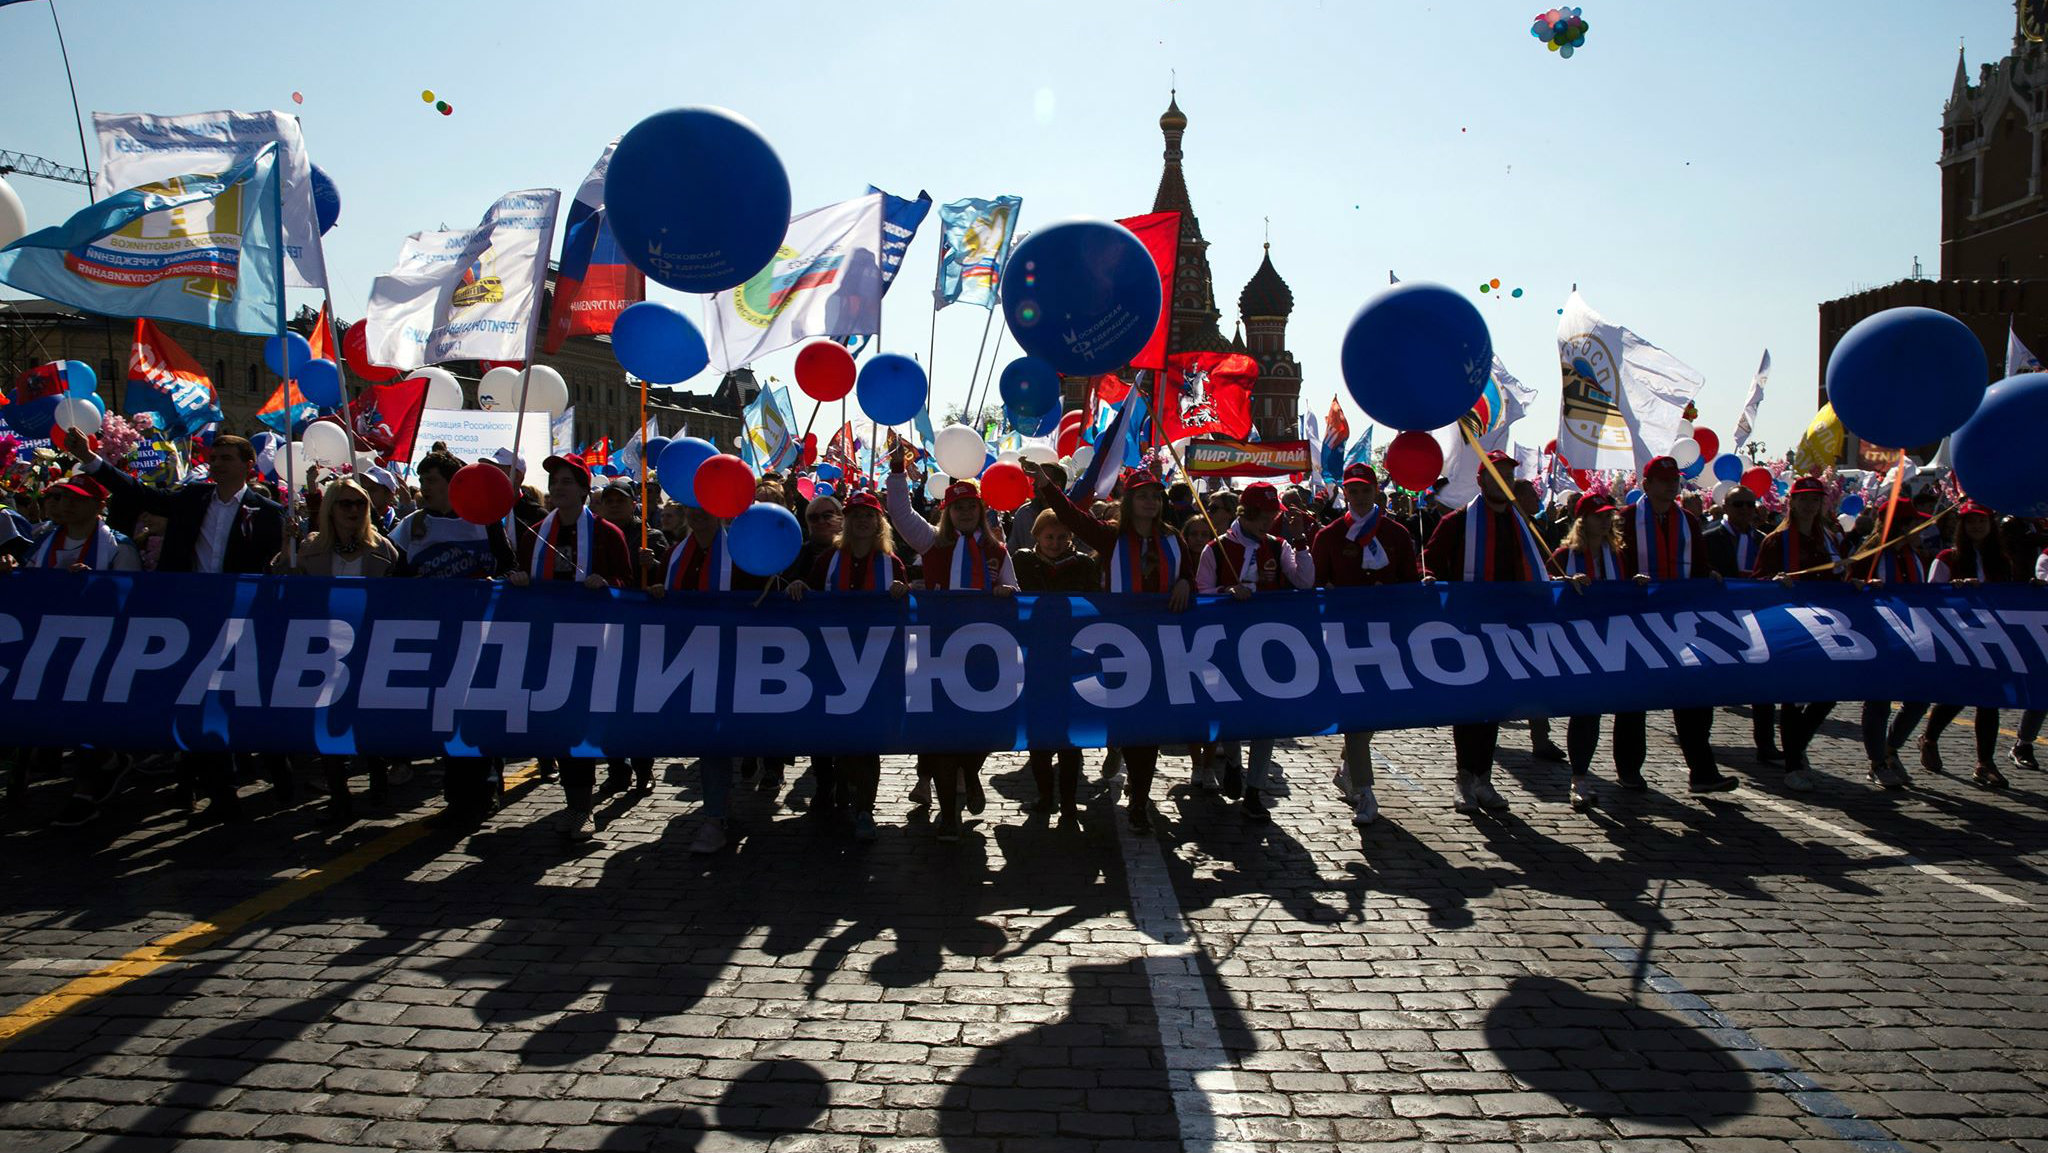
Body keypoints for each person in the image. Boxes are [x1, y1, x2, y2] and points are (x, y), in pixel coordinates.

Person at [68, 428, 286, 824]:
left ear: (248, 466)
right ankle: (215, 789)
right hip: (188, 616)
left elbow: (274, 567)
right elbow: (138, 493)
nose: (217, 464)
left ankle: (237, 782)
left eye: (226, 459)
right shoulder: (190, 499)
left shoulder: (268, 513)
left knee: (228, 703)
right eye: (214, 458)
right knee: (193, 700)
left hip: (239, 620)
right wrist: (91, 459)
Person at [1032, 465, 1190, 832]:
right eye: (1143, 495)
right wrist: (1047, 486)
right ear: (1129, 501)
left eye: (1156, 495)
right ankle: (1121, 764)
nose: (1150, 502)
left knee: (1147, 727)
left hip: (1161, 647)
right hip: (1116, 647)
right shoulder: (1111, 539)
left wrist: (1184, 581)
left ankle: (1138, 799)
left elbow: (1190, 577)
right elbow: (1073, 515)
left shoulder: (1174, 540)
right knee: (1122, 722)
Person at [886, 444, 1017, 842]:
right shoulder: (932, 544)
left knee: (984, 731)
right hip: (938, 650)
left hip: (982, 655)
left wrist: (1006, 592)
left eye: (971, 508)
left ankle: (972, 773)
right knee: (941, 735)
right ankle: (948, 814)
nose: (964, 514)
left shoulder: (997, 549)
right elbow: (901, 514)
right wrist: (896, 471)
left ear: (981, 511)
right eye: (957, 508)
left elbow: (1015, 588)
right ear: (948, 512)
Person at [509, 454, 632, 842]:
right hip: (549, 645)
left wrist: (607, 582)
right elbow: (522, 577)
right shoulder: (534, 535)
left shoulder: (607, 534)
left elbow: (628, 585)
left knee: (584, 723)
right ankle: (576, 801)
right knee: (563, 725)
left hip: (596, 646)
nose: (558, 487)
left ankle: (584, 804)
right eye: (555, 482)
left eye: (566, 482)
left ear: (583, 490)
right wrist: (518, 581)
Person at [1423, 451, 1553, 814]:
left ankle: (1484, 779)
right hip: (1466, 631)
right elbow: (1430, 559)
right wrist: (1430, 577)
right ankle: (1464, 779)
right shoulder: (1457, 522)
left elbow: (1538, 572)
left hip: (1509, 632)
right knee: (1469, 708)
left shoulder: (1523, 525)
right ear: (1481, 481)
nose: (1505, 482)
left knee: (1495, 707)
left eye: (1510, 477)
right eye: (1497, 476)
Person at [785, 490, 908, 841]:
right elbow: (808, 593)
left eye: (869, 515)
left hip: (874, 666)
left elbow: (906, 611)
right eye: (856, 515)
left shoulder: (891, 563)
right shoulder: (828, 561)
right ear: (846, 521)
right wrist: (797, 585)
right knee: (835, 738)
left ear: (878, 522)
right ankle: (837, 790)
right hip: (830, 663)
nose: (862, 521)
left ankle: (865, 810)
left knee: (867, 744)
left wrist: (902, 593)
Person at [1620, 457, 1740, 794]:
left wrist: (1709, 574)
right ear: (1646, 484)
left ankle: (1702, 771)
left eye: (1674, 479)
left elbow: (1699, 564)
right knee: (1634, 701)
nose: (1670, 485)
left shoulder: (1688, 521)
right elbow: (1615, 564)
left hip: (1683, 624)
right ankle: (1629, 770)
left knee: (1694, 697)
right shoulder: (1626, 520)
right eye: (1662, 480)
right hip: (1637, 622)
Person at [1196, 481, 1314, 822]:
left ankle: (1255, 790)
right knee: (1230, 715)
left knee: (1266, 721)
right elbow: (1203, 592)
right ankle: (1232, 761)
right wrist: (1225, 591)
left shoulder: (1277, 547)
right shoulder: (1216, 549)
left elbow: (1304, 581)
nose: (1266, 523)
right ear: (1245, 513)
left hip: (1269, 648)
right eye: (1261, 516)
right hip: (1225, 648)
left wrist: (1300, 540)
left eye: (1271, 515)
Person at [1311, 463, 1420, 826]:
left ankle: (1348, 767)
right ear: (1344, 493)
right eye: (1353, 491)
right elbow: (1317, 584)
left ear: (1376, 492)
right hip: (1344, 639)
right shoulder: (1328, 536)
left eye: (1365, 490)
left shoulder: (1397, 533)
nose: (1359, 497)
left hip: (1386, 638)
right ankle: (1366, 792)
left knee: (1373, 712)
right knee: (1355, 714)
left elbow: (1410, 581)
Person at [1751, 475, 1845, 792]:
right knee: (1791, 698)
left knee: (1829, 692)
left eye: (1815, 499)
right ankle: (1793, 764)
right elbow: (1758, 582)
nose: (1809, 505)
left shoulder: (1830, 540)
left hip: (1826, 626)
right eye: (1803, 499)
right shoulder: (1776, 541)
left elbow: (1841, 577)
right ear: (1793, 502)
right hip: (1790, 626)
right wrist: (1776, 582)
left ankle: (1796, 745)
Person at [1922, 503, 2014, 788]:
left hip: (1991, 637)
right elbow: (1929, 597)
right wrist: (1957, 589)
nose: (1976, 527)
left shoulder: (2001, 560)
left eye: (1982, 521)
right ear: (1961, 526)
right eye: (1970, 522)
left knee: (1989, 699)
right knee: (1956, 695)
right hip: (1957, 637)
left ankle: (1984, 762)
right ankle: (1929, 737)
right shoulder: (1947, 558)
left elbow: (2009, 596)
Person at [1552, 494, 1625, 811]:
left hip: (1610, 642)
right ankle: (1577, 774)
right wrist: (1563, 582)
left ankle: (1584, 775)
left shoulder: (1618, 555)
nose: (1606, 521)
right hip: (1572, 643)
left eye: (1609, 516)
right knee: (1583, 709)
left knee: (1592, 711)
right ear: (1583, 520)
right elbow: (1541, 588)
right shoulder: (1564, 554)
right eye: (1599, 516)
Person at [1855, 499, 1934, 792]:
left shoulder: (1915, 556)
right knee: (1879, 702)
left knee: (1920, 698)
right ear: (1901, 526)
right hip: (1878, 639)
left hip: (1913, 638)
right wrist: (1864, 589)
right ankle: (1877, 762)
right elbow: (1847, 589)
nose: (1921, 529)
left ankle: (1891, 748)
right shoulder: (1870, 555)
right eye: (1916, 524)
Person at [1702, 484, 1781, 763]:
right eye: (1739, 505)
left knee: (1765, 684)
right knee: (1709, 685)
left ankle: (1766, 745)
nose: (1746, 510)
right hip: (1719, 619)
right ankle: (1701, 745)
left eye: (1751, 504)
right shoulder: (1709, 538)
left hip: (1758, 620)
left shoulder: (1765, 540)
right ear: (1726, 507)